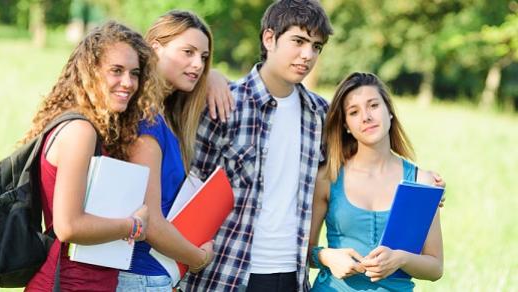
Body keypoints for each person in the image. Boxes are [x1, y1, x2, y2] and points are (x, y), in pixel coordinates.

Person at [181, 1, 334, 291]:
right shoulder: (225, 104)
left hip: (292, 274)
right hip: (225, 272)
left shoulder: (321, 115)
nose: (307, 55)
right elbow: (188, 189)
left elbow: (359, 166)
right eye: (299, 41)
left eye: (316, 47)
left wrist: (420, 182)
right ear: (269, 39)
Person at [22, 20, 160, 291]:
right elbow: (68, 226)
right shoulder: (80, 132)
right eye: (116, 71)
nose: (128, 83)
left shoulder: (97, 129)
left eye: (134, 73)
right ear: (90, 73)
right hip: (68, 283)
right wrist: (133, 226)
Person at [309, 72, 444, 291]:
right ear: (346, 125)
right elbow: (303, 250)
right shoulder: (327, 177)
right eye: (354, 112)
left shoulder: (423, 182)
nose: (366, 117)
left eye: (373, 105)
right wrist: (325, 256)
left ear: (389, 111)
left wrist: (401, 259)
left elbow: (436, 267)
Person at [117, 10, 216, 291]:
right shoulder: (146, 120)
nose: (198, 64)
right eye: (188, 52)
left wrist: (216, 78)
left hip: (156, 275)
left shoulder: (166, 118)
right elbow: (150, 222)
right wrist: (197, 258)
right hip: (138, 276)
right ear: (155, 48)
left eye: (205, 58)